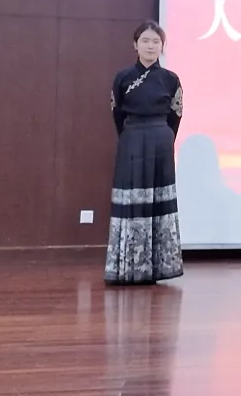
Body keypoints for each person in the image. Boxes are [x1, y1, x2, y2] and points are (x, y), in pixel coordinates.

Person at [105, 20, 184, 285]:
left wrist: (164, 137)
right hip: (132, 139)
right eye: (145, 41)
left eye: (156, 41)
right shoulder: (123, 77)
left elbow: (176, 115)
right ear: (135, 44)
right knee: (131, 199)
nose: (151, 46)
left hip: (161, 140)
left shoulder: (170, 79)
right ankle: (128, 266)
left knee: (159, 200)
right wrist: (131, 136)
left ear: (162, 46)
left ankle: (160, 266)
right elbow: (117, 114)